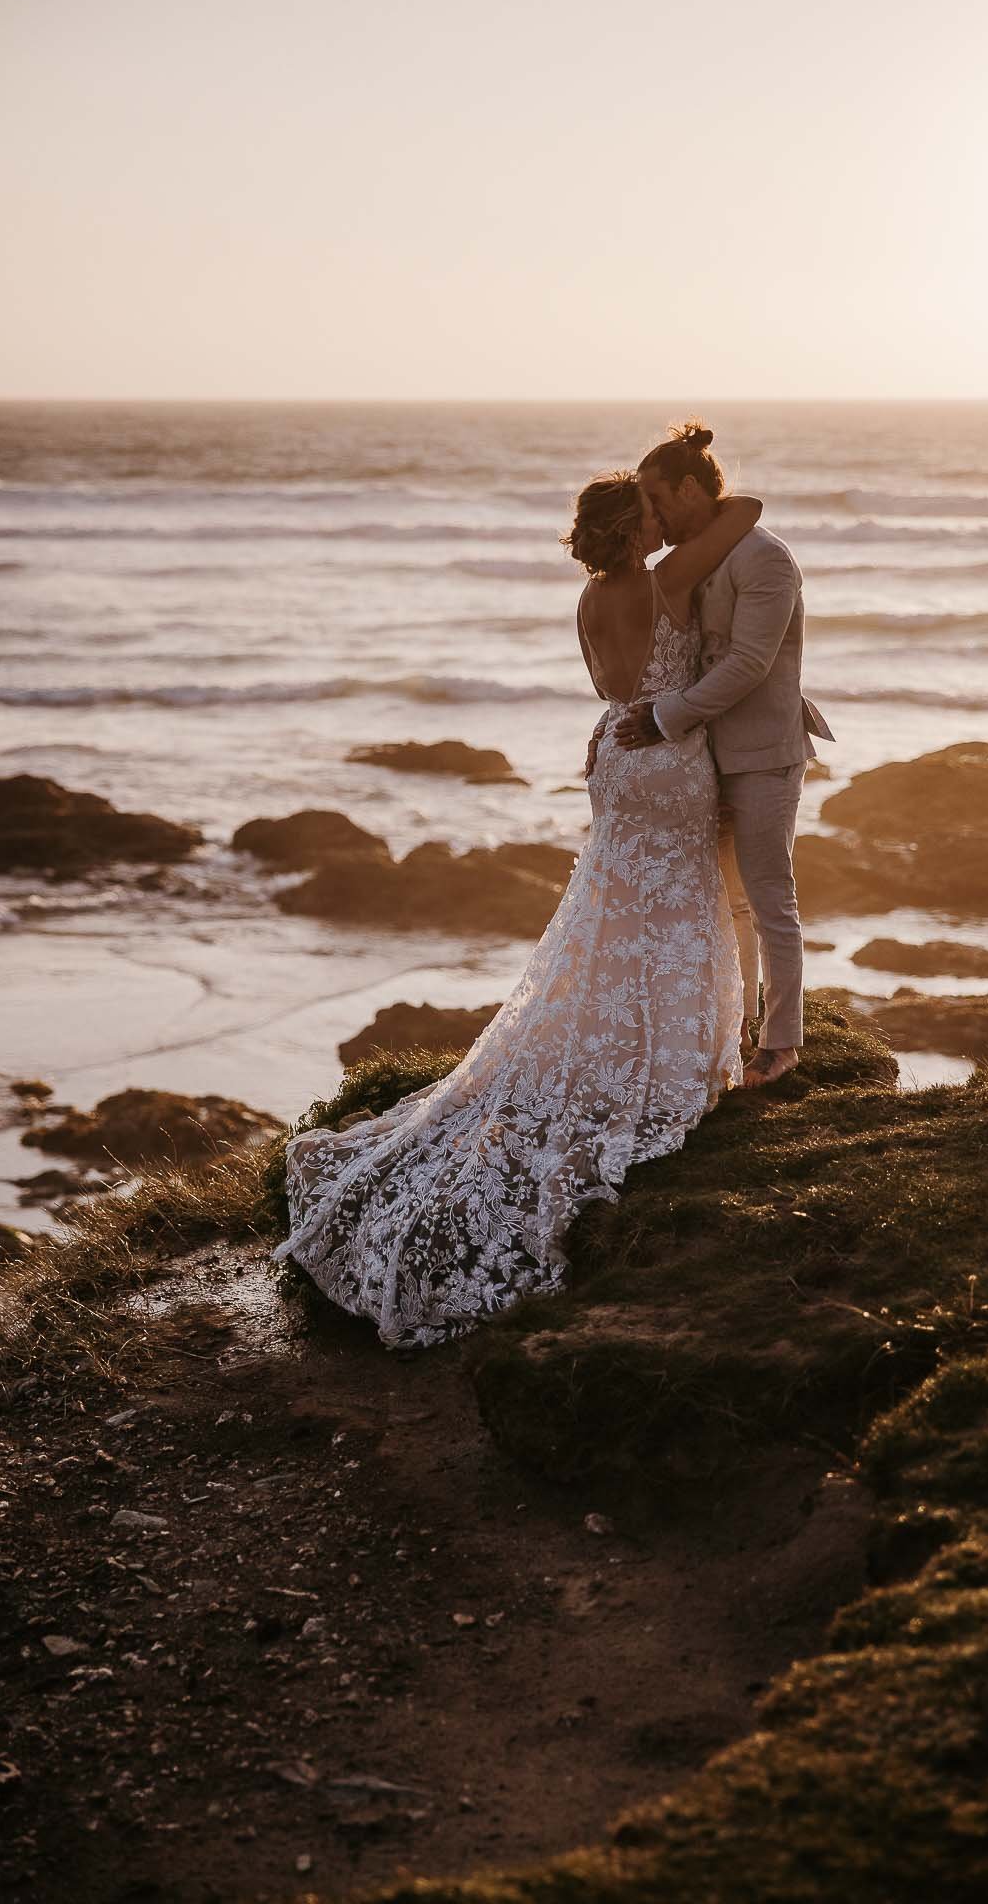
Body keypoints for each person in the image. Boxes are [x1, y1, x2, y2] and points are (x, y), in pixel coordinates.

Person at [270, 474, 763, 1347]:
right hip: (670, 757)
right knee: (682, 903)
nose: (660, 518)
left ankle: (630, 1039)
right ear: (632, 526)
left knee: (612, 910)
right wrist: (685, 481)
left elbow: (613, 692)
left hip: (614, 750)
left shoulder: (587, 600)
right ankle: (681, 1050)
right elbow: (747, 512)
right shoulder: (668, 581)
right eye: (649, 511)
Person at [617, 422, 833, 1088]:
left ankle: (783, 1044)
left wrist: (662, 719)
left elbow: (747, 663)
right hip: (705, 757)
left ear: (689, 489)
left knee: (772, 901)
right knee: (726, 904)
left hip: (765, 754)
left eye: (657, 500)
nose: (652, 515)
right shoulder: (705, 555)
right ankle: (732, 1031)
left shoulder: (765, 559)